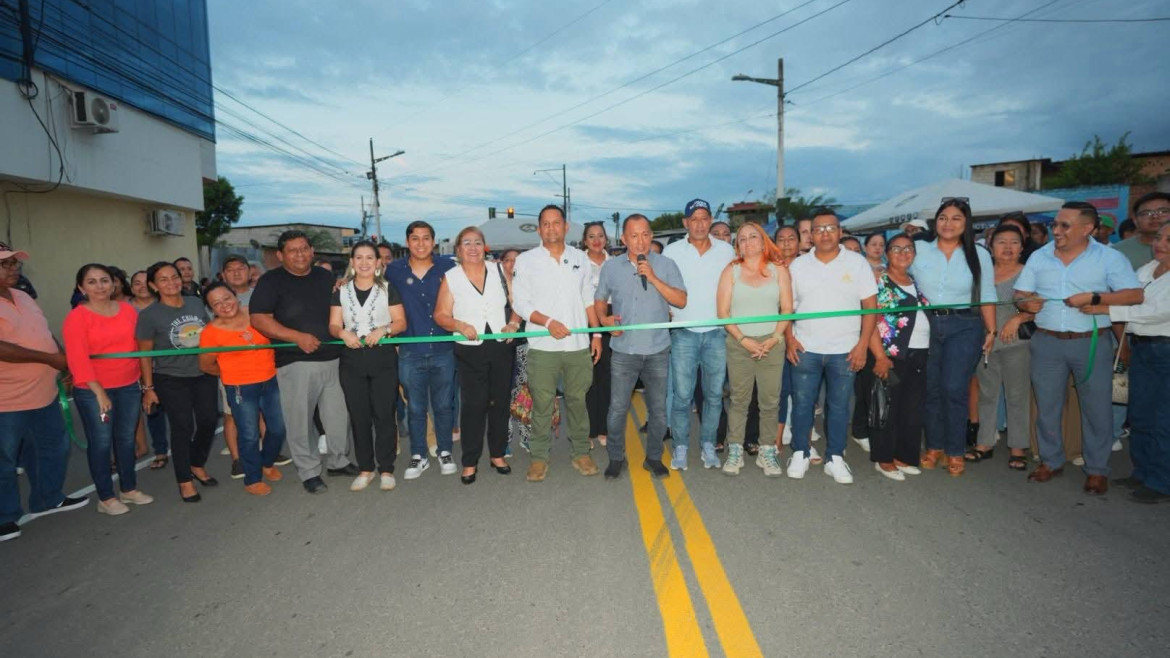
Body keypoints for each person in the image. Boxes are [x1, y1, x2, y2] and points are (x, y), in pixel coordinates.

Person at [1015, 201, 1143, 495]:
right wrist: (1025, 303)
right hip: (1046, 341)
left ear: (1087, 229)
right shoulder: (1040, 255)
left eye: (1064, 225)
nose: (1056, 231)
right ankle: (1050, 460)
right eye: (1054, 225)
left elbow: (1135, 295)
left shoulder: (1109, 258)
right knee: (1047, 406)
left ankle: (1097, 469)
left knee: (1096, 408)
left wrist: (1096, 298)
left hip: (1091, 341)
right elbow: (1021, 294)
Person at [250, 230, 356, 494]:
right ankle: (309, 471)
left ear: (312, 251)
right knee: (300, 420)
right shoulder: (270, 281)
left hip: (333, 358)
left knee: (338, 417)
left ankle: (338, 461)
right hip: (296, 362)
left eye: (304, 249)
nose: (300, 254)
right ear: (280, 255)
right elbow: (259, 319)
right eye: (293, 250)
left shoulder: (324, 276)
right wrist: (296, 337)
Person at [0, 242, 88, 541]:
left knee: (52, 448)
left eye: (15, 263)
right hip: (6, 400)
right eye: (5, 264)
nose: (13, 268)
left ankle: (47, 499)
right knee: (5, 460)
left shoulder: (23, 296)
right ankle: (5, 517)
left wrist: (61, 359)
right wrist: (49, 359)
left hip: (43, 393)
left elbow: (43, 332)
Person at [785, 209, 878, 484]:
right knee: (802, 404)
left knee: (838, 406)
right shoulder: (798, 266)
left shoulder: (857, 263)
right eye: (818, 229)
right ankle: (800, 452)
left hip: (845, 349)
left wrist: (863, 345)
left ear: (840, 232)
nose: (825, 234)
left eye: (830, 228)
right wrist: (789, 338)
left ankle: (835, 456)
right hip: (806, 348)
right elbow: (786, 307)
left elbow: (870, 308)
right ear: (810, 235)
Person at [511, 204, 602, 482]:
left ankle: (581, 452)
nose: (551, 228)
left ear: (566, 226)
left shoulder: (580, 258)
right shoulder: (526, 260)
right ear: (539, 229)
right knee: (542, 404)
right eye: (546, 224)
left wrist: (597, 335)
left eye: (556, 222)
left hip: (577, 345)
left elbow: (588, 299)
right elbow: (521, 303)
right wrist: (548, 322)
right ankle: (539, 457)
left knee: (577, 401)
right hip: (543, 346)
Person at [1082, 221, 1170, 502]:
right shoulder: (1147, 269)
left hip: (1165, 350)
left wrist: (1107, 308)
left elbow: (1157, 312)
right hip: (1141, 347)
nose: (1161, 243)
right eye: (1159, 237)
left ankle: (1162, 481)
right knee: (1140, 413)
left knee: (1163, 419)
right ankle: (1142, 472)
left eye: (1169, 240)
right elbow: (1127, 296)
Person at [593, 214, 686, 479]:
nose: (640, 241)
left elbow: (681, 300)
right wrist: (604, 320)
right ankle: (615, 457)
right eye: (634, 236)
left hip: (657, 349)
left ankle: (654, 458)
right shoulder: (611, 267)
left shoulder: (666, 264)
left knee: (658, 410)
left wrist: (653, 278)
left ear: (651, 235)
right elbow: (599, 299)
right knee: (617, 409)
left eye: (645, 234)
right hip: (624, 351)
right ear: (624, 239)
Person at [910, 198, 997, 477]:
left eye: (956, 218)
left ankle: (955, 450)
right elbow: (897, 275)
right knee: (931, 388)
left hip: (965, 325)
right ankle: (934, 446)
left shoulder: (979, 254)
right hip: (925, 324)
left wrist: (991, 330)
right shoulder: (919, 250)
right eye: (943, 218)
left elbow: (987, 294)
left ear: (966, 223)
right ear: (935, 222)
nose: (948, 223)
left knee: (954, 388)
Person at [63, 264, 153, 514]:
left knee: (126, 439)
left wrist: (145, 384)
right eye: (91, 282)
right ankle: (105, 498)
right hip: (93, 390)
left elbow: (140, 346)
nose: (100, 286)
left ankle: (128, 489)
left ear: (114, 284)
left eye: (104, 280)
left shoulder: (128, 310)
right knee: (101, 443)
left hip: (128, 386)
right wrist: (99, 392)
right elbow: (77, 359)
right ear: (81, 288)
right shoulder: (77, 317)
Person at [435, 228, 518, 484]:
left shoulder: (499, 270)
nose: (473, 247)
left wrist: (513, 324)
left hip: (501, 345)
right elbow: (440, 315)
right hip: (469, 348)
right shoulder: (451, 277)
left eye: (478, 242)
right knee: (474, 405)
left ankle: (497, 454)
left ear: (485, 247)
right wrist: (459, 325)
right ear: (458, 249)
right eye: (467, 243)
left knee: (500, 402)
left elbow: (518, 303)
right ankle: (470, 461)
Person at [326, 240, 408, 491]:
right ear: (352, 262)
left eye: (369, 258)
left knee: (384, 415)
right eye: (359, 257)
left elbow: (401, 322)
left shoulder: (388, 289)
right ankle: (365, 468)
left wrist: (384, 330)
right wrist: (342, 333)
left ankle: (386, 468)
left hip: (383, 358)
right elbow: (333, 325)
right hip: (351, 361)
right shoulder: (341, 291)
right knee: (359, 416)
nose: (364, 262)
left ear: (378, 262)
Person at [137, 261, 218, 502]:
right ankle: (184, 481)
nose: (171, 282)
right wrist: (148, 388)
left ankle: (196, 463)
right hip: (171, 378)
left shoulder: (195, 302)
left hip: (203, 373)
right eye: (163, 279)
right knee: (183, 427)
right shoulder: (149, 315)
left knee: (208, 421)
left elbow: (210, 335)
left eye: (174, 276)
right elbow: (144, 355)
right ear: (154, 286)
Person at [663, 199, 735, 470]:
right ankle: (680, 446)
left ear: (710, 220)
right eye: (694, 219)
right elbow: (663, 287)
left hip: (717, 333)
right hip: (683, 332)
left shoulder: (726, 250)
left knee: (714, 395)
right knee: (682, 396)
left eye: (705, 218)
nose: (700, 224)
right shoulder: (672, 251)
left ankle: (708, 444)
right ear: (686, 222)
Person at [715, 221, 791, 476]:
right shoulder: (731, 271)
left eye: (753, 236)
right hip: (739, 344)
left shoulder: (779, 270)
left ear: (763, 240)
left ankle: (767, 451)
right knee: (739, 400)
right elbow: (723, 313)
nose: (748, 242)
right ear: (737, 245)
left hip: (772, 343)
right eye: (742, 239)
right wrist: (743, 340)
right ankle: (735, 449)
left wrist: (775, 338)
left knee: (770, 401)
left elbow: (787, 308)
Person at [385, 221, 458, 479]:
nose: (420, 243)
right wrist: (341, 282)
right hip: (409, 350)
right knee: (415, 408)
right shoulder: (393, 271)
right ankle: (418, 455)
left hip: (443, 348)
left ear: (433, 241)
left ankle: (445, 451)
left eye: (426, 238)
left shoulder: (448, 267)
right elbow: (369, 285)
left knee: (444, 405)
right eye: (415, 238)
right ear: (407, 242)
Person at [198, 283, 287, 496]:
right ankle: (252, 478)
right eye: (216, 304)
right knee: (249, 434)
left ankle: (267, 462)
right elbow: (206, 365)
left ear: (235, 296)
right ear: (211, 309)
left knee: (278, 428)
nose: (224, 305)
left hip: (270, 381)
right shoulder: (210, 333)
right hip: (240, 387)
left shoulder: (257, 315)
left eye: (226, 298)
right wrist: (232, 375)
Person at [969, 225, 1034, 470]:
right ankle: (984, 442)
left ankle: (1018, 447)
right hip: (985, 343)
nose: (1007, 247)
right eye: (1001, 242)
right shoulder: (981, 274)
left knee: (1017, 396)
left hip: (1016, 343)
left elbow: (1042, 306)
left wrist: (1019, 318)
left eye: (1014, 242)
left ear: (1022, 247)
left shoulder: (1028, 274)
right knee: (987, 395)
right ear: (990, 246)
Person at [867, 234, 929, 480]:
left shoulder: (916, 280)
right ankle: (884, 459)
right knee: (886, 408)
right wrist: (879, 357)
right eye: (896, 248)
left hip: (920, 353)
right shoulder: (878, 281)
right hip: (890, 355)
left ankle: (904, 456)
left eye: (908, 248)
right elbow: (870, 321)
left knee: (911, 409)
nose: (903, 253)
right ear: (887, 254)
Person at [215, 255, 256, 478]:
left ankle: (265, 453)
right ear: (223, 275)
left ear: (249, 271)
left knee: (262, 412)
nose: (236, 272)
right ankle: (237, 459)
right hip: (230, 367)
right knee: (231, 414)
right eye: (230, 269)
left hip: (260, 364)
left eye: (241, 268)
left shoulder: (261, 294)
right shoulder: (215, 298)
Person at [127, 270, 169, 469]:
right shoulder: (124, 309)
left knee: (163, 410)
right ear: (131, 287)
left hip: (163, 367)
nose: (142, 286)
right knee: (147, 411)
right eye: (137, 283)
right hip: (134, 368)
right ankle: (154, 450)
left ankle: (166, 450)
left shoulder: (164, 305)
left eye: (145, 282)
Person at [581, 222, 612, 449]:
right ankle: (587, 431)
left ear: (606, 239)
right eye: (591, 236)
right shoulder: (578, 262)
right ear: (585, 241)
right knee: (586, 378)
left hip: (611, 319)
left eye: (600, 236)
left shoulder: (616, 263)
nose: (596, 240)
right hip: (585, 318)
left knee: (608, 378)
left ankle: (604, 428)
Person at [1114, 192, 1170, 270]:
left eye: (1163, 211)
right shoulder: (1117, 252)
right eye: (1146, 213)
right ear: (1135, 220)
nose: (1155, 216)